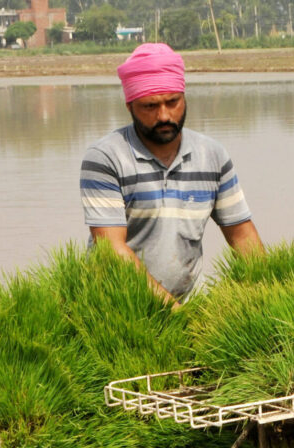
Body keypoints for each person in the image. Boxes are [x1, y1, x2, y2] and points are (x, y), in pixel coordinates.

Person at [80, 43, 262, 305]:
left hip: (183, 301)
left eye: (172, 102)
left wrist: (268, 291)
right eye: (150, 106)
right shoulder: (106, 157)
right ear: (129, 106)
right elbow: (111, 249)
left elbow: (242, 235)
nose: (164, 115)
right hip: (114, 306)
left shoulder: (212, 155)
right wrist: (173, 312)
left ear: (184, 98)